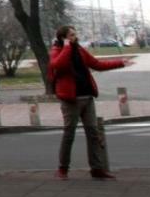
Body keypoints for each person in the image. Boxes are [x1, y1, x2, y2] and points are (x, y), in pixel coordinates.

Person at [48, 25, 133, 180]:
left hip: (87, 97)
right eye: (71, 35)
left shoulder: (80, 50)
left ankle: (96, 169)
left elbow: (97, 65)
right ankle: (63, 169)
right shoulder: (57, 51)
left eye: (75, 34)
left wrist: (120, 62)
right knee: (69, 133)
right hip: (70, 99)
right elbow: (57, 65)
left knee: (93, 133)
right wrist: (67, 48)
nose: (75, 37)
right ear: (63, 38)